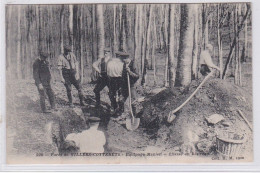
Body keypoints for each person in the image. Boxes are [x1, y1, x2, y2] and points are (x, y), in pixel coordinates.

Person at [119, 53, 139, 118]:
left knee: (133, 101)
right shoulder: (124, 64)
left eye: (123, 59)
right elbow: (123, 75)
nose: (122, 61)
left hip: (132, 85)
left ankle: (135, 115)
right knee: (122, 100)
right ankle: (124, 114)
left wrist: (130, 72)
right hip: (125, 85)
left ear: (127, 58)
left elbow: (137, 76)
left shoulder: (133, 64)